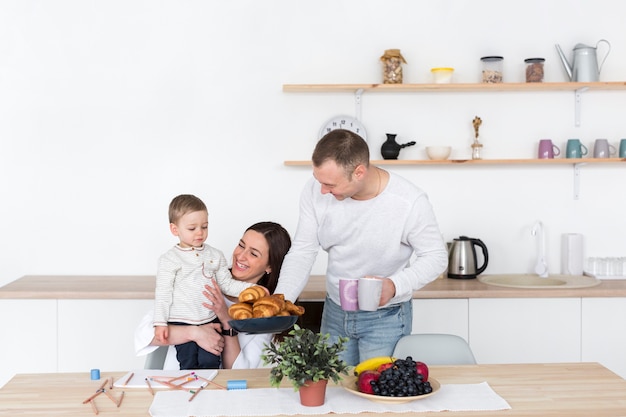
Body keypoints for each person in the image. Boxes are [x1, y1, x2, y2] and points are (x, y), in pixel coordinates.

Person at [275, 129, 448, 366]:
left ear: (359, 172)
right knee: (335, 393)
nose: (322, 190)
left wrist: (395, 285)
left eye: (329, 184)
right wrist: (281, 299)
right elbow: (303, 251)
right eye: (319, 181)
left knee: (378, 393)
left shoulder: (409, 201)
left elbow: (436, 257)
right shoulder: (316, 190)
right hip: (335, 311)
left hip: (386, 317)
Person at [136, 221, 292, 369]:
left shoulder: (265, 312)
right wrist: (194, 333)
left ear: (270, 266)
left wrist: (226, 320)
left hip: (221, 392)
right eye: (241, 245)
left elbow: (240, 373)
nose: (241, 256)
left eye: (253, 254)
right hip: (177, 385)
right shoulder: (202, 278)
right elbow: (144, 334)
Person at [153, 194, 257, 369]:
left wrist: (254, 289)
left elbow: (227, 284)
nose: (200, 232)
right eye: (192, 228)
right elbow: (163, 293)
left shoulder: (215, 256)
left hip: (209, 319)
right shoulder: (169, 259)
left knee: (211, 360)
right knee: (188, 362)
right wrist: (160, 323)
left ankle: (209, 393)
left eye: (204, 226)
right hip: (182, 321)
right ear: (175, 229)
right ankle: (191, 392)